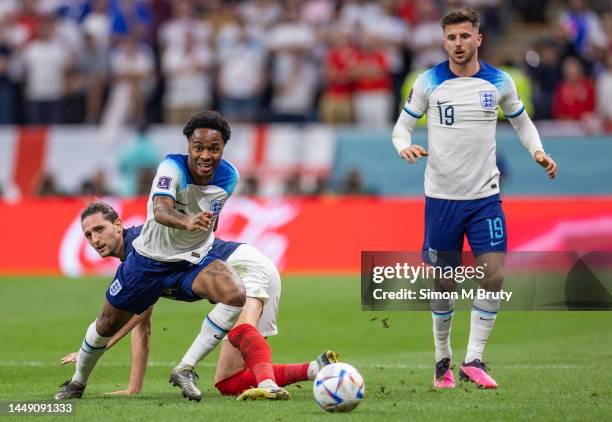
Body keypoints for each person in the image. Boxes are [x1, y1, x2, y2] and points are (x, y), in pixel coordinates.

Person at [391, 8, 557, 390]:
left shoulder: (498, 81)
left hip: (485, 196)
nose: (458, 44)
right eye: (451, 38)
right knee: (444, 285)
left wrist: (538, 151)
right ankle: (442, 359)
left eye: (465, 36)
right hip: (442, 199)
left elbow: (521, 121)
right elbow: (402, 127)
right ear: (443, 40)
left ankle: (474, 359)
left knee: (494, 273)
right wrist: (405, 147)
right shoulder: (428, 82)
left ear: (478, 38)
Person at [55, 111, 247, 401]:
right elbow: (160, 210)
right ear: (188, 147)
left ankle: (185, 368)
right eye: (199, 147)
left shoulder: (229, 177)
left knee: (235, 294)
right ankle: (77, 382)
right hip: (148, 261)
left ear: (222, 148)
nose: (206, 155)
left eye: (214, 148)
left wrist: (200, 233)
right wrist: (187, 223)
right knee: (106, 324)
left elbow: (212, 214)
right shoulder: (171, 168)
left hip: (191, 261)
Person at [60, 202, 338, 399]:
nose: (94, 239)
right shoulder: (137, 266)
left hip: (242, 266)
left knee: (241, 329)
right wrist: (133, 385)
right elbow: (141, 322)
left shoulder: (145, 243)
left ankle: (269, 385)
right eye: (88, 235)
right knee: (228, 382)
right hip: (239, 277)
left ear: (118, 225)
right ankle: (316, 369)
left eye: (99, 229)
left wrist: (101, 345)